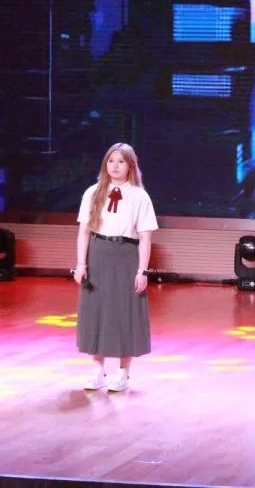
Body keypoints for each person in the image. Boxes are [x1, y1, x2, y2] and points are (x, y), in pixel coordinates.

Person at [73, 143, 157, 393]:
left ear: (130, 165)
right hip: (98, 253)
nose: (115, 166)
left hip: (125, 255)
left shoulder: (139, 196)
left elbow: (145, 237)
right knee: (96, 310)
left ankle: (123, 372)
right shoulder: (93, 192)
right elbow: (83, 231)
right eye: (111, 161)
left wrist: (142, 271)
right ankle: (97, 369)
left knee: (124, 311)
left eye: (121, 161)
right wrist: (81, 264)